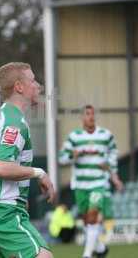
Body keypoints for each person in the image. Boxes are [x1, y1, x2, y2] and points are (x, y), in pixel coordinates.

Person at [0, 62, 55, 258]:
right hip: (2, 211)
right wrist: (39, 173)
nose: (38, 86)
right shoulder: (14, 123)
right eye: (33, 80)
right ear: (19, 87)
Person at [58, 105, 123, 258]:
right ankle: (100, 249)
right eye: (87, 114)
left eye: (93, 114)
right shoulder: (74, 137)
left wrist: (113, 174)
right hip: (80, 185)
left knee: (93, 216)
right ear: (82, 117)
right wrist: (72, 155)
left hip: (98, 183)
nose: (91, 117)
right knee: (87, 220)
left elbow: (113, 153)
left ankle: (87, 254)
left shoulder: (105, 135)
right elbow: (61, 158)